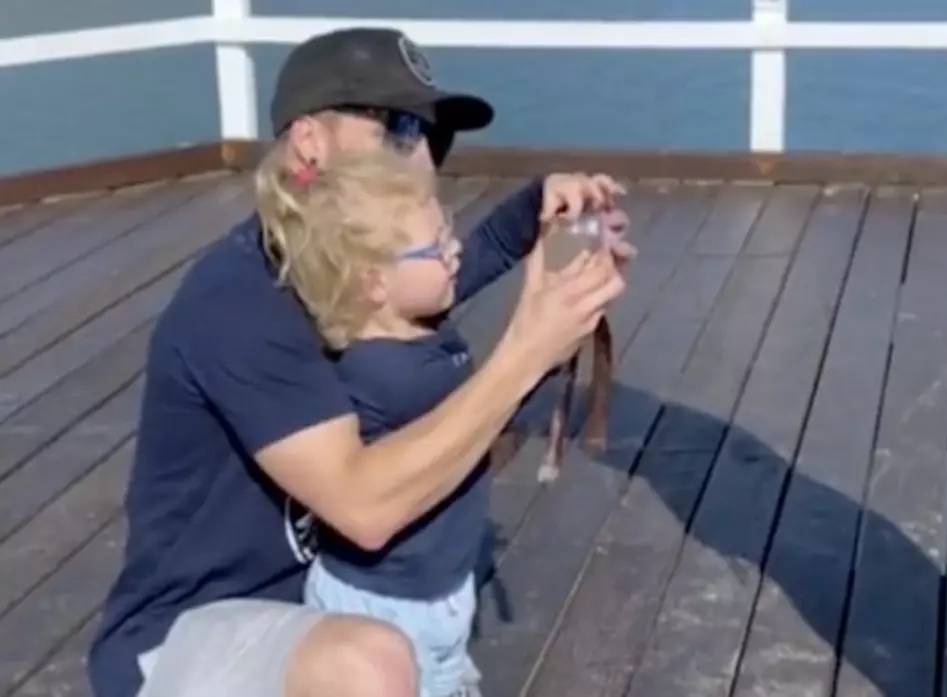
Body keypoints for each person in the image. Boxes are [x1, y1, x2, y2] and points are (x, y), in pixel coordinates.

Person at [87, 26, 633, 697]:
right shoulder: (241, 302)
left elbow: (455, 270)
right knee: (367, 664)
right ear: (310, 142)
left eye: (434, 136)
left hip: (330, 609)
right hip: (187, 641)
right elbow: (364, 505)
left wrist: (542, 210)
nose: (425, 159)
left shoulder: (353, 265)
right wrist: (528, 350)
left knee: (375, 655)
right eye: (402, 128)